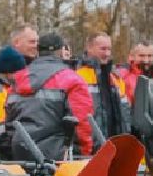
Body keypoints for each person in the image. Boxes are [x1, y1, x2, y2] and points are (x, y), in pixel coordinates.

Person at [5, 31, 94, 163]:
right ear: (62, 50)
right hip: (57, 158)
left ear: (38, 50)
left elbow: (9, 121)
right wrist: (83, 154)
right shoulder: (71, 79)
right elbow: (82, 123)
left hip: (21, 156)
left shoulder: (20, 78)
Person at [76, 31, 129, 143]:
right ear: (89, 48)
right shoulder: (78, 76)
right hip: (90, 147)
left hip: (116, 145)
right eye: (103, 49)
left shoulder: (116, 78)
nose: (107, 53)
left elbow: (126, 115)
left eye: (109, 49)